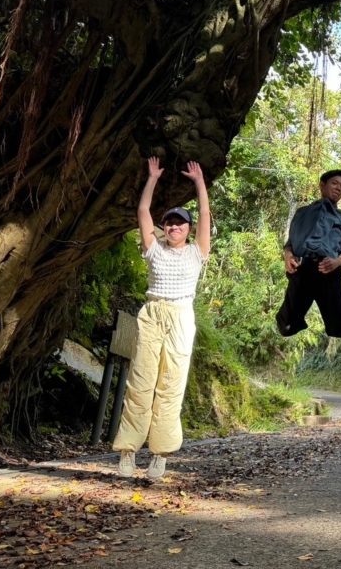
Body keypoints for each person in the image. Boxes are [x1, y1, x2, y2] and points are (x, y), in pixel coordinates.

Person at [114, 156, 211, 480]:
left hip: (182, 317)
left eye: (179, 223)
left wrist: (199, 184)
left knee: (171, 385)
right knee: (140, 382)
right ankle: (128, 452)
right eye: (169, 223)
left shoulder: (197, 251)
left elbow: (206, 216)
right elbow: (143, 213)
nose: (173, 227)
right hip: (153, 314)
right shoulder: (153, 249)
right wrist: (152, 178)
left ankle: (160, 454)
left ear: (188, 229)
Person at [275, 169, 341, 338]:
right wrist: (288, 256)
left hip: (328, 270)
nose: (339, 189)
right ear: (322, 185)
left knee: (339, 330)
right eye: (334, 183)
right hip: (302, 270)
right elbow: (290, 244)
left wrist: (337, 262)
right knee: (286, 327)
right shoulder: (302, 213)